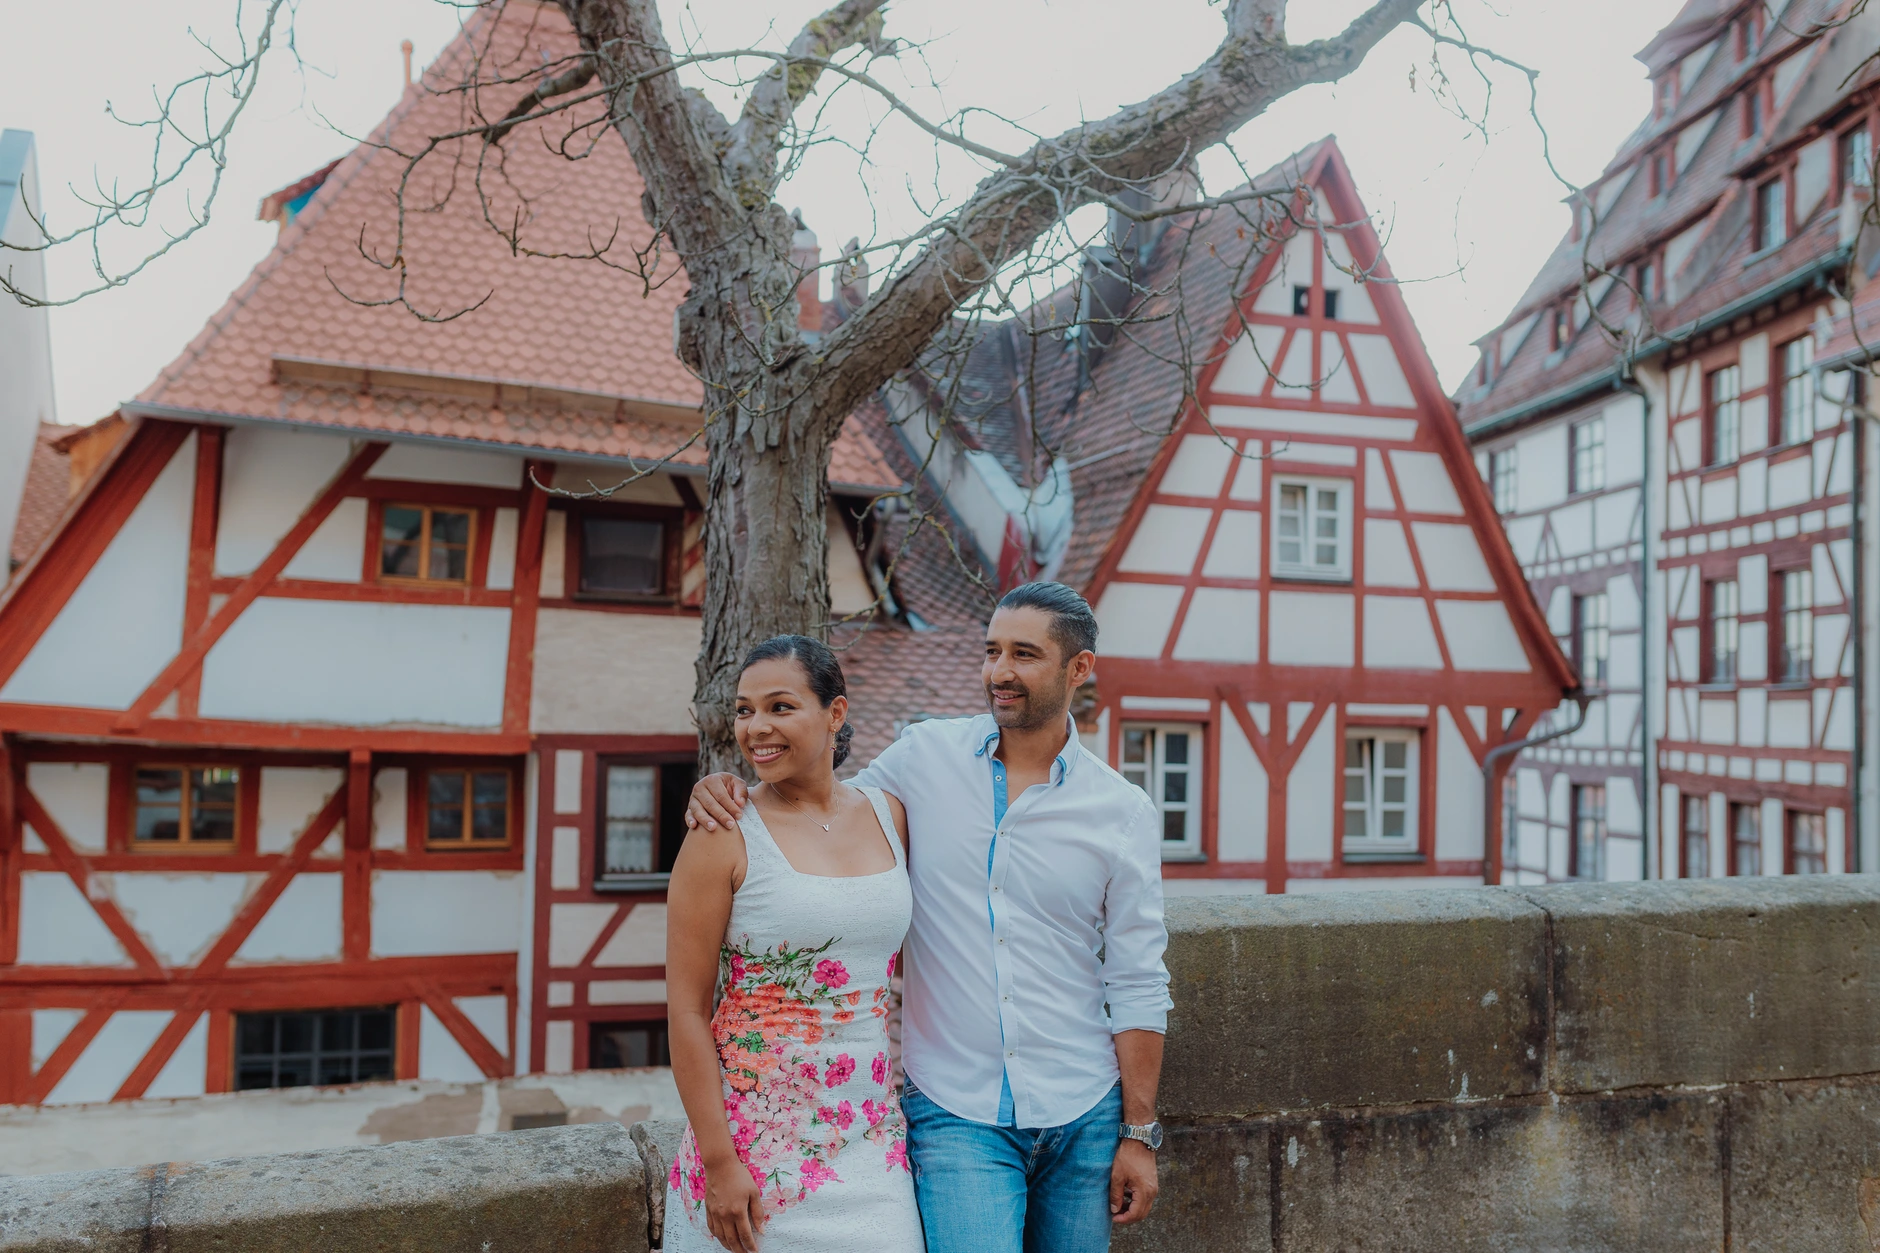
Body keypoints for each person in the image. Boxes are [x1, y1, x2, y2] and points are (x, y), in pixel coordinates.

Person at [687, 582, 1171, 1253]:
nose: (999, 670)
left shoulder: (1123, 811)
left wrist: (1137, 1133)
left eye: (1024, 654)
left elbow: (1139, 978)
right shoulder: (922, 758)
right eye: (992, 650)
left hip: (1084, 1110)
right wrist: (724, 784)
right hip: (954, 1111)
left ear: (1078, 668)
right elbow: (818, 799)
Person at [663, 634, 923, 1253]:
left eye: (780, 706)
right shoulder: (720, 833)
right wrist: (720, 1162)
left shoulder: (892, 814)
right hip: (754, 1150)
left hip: (873, 1138)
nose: (756, 728)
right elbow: (686, 1011)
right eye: (745, 710)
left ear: (835, 713)